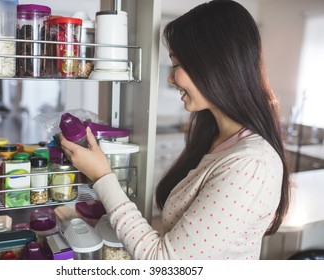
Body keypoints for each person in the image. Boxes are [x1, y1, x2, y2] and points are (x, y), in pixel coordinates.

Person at [60, 0, 290, 260]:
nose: (170, 78)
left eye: (177, 64)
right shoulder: (215, 136)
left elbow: (165, 262)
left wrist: (102, 176)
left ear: (215, 64)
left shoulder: (251, 165)